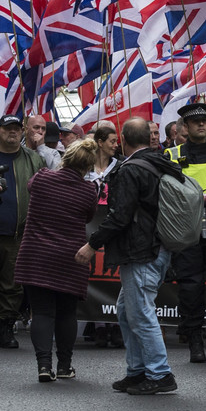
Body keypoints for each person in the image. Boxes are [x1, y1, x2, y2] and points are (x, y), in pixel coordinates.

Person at [76, 118, 181, 395]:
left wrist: (92, 244)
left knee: (141, 314)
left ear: (123, 140)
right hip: (159, 248)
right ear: (149, 138)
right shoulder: (161, 162)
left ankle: (160, 373)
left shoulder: (131, 169)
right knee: (127, 310)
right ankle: (137, 371)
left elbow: (120, 216)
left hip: (141, 251)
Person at [15, 139, 100, 382]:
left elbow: (30, 187)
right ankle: (64, 366)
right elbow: (88, 217)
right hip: (70, 257)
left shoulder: (41, 178)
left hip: (37, 254)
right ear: (88, 165)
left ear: (66, 158)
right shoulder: (87, 191)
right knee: (66, 313)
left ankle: (44, 366)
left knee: (41, 312)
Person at [0, 114, 46, 350]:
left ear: (22, 131)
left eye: (16, 128)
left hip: (19, 234)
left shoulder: (34, 159)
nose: (12, 132)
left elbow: (43, 193)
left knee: (12, 285)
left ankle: (6, 329)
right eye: (7, 128)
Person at [164, 102, 206, 363]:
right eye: (195, 122)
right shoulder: (170, 155)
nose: (201, 124)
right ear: (185, 127)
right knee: (190, 288)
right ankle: (194, 339)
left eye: (205, 120)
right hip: (186, 228)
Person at [84, 125, 123, 349]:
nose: (115, 144)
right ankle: (98, 324)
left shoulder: (119, 167)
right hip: (89, 227)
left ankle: (116, 323)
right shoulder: (85, 167)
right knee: (92, 275)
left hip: (112, 226)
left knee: (113, 273)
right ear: (100, 142)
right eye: (111, 140)